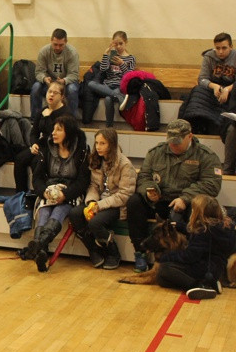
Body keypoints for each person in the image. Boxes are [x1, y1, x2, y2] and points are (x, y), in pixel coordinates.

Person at [126, 119, 223, 273]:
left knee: (196, 210)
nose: (173, 145)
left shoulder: (206, 156)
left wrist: (185, 198)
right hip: (160, 200)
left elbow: (212, 184)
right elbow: (144, 176)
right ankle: (141, 252)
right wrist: (150, 191)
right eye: (170, 141)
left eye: (177, 142)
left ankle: (185, 257)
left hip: (185, 203)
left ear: (189, 137)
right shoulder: (156, 152)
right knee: (134, 202)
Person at [23, 114, 90, 272]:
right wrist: (43, 192)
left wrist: (65, 195)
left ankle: (38, 246)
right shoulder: (46, 149)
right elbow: (37, 178)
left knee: (59, 212)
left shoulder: (82, 151)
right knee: (44, 213)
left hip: (70, 194)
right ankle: (41, 251)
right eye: (53, 129)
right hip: (48, 191)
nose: (53, 133)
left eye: (58, 130)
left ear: (69, 132)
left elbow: (83, 182)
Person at [68, 128, 136, 269]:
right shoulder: (96, 160)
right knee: (74, 214)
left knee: (95, 222)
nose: (98, 147)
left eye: (102, 143)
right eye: (97, 143)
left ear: (111, 144)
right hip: (98, 202)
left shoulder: (125, 165)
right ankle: (93, 249)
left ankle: (113, 252)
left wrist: (100, 205)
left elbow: (124, 195)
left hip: (116, 205)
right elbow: (93, 185)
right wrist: (92, 201)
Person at [156, 195, 235, 300]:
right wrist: (179, 226)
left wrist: (165, 256)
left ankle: (201, 285)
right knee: (161, 279)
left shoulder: (203, 231)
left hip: (204, 269)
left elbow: (190, 256)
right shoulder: (221, 226)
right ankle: (211, 283)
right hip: (215, 268)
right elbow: (198, 235)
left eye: (193, 210)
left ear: (199, 213)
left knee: (164, 269)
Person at [14, 80, 69, 192]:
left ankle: (39, 194)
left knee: (37, 162)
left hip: (56, 146)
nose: (51, 95)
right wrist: (33, 143)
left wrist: (48, 117)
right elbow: (34, 133)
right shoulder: (43, 110)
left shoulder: (65, 113)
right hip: (42, 144)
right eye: (49, 91)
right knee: (20, 159)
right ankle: (21, 194)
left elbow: (55, 134)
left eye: (55, 93)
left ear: (62, 96)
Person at [197, 33, 236, 174]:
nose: (220, 51)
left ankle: (228, 169)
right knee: (196, 94)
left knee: (231, 128)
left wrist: (228, 89)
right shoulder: (209, 56)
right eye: (217, 48)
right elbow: (202, 79)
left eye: (224, 48)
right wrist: (214, 86)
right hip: (213, 91)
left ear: (231, 47)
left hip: (231, 94)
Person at [86, 31, 136, 126]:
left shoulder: (131, 58)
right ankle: (119, 97)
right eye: (116, 44)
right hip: (107, 85)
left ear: (126, 42)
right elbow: (103, 69)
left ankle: (109, 126)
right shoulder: (111, 56)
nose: (118, 47)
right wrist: (106, 54)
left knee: (108, 99)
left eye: (121, 43)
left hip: (120, 86)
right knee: (90, 84)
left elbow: (129, 76)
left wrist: (121, 64)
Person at [30, 28, 80, 121]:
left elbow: (74, 74)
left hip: (66, 82)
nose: (57, 47)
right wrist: (44, 78)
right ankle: (35, 119)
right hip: (48, 82)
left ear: (66, 42)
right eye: (55, 44)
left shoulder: (72, 53)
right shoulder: (44, 51)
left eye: (61, 45)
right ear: (51, 41)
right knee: (36, 87)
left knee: (72, 90)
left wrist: (64, 81)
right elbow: (38, 72)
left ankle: (70, 120)